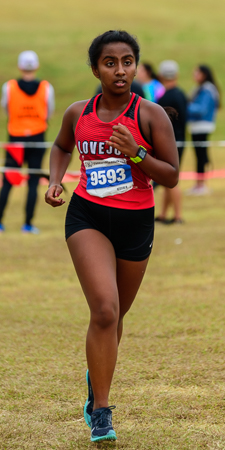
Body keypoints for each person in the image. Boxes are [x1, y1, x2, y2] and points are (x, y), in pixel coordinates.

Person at [45, 30, 179, 443]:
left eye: (126, 61)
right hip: (88, 216)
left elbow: (171, 175)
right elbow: (61, 145)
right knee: (104, 309)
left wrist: (136, 152)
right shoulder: (77, 112)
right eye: (109, 62)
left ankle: (95, 379)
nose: (119, 70)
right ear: (95, 68)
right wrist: (55, 181)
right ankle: (100, 412)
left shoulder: (150, 114)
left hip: (136, 222)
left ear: (135, 66)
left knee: (116, 317)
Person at [0, 50, 55, 233]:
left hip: (15, 139)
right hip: (37, 139)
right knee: (33, 182)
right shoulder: (47, 87)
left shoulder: (9, 86)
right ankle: (28, 224)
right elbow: (50, 112)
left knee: (8, 181)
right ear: (36, 66)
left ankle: (0, 222)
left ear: (19, 66)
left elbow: (6, 108)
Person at [155, 60, 187, 224]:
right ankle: (163, 214)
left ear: (161, 76)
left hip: (170, 142)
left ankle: (178, 216)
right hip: (180, 139)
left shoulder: (165, 96)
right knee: (166, 178)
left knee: (172, 177)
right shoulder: (180, 93)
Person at [186, 64, 220, 195]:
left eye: (197, 73)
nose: (194, 75)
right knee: (200, 155)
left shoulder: (207, 90)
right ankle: (199, 184)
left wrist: (186, 107)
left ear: (204, 74)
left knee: (201, 155)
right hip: (197, 126)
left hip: (202, 126)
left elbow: (201, 109)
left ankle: (202, 184)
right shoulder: (201, 88)